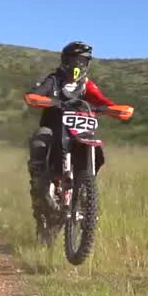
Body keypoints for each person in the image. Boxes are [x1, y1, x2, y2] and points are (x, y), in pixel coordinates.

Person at [23, 40, 126, 218]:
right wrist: (47, 101)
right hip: (53, 128)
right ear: (65, 60)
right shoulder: (53, 80)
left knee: (95, 149)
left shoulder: (86, 84)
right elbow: (34, 96)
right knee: (40, 139)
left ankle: (85, 190)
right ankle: (39, 188)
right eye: (75, 60)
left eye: (83, 61)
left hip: (78, 131)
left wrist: (111, 109)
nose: (79, 65)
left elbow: (102, 100)